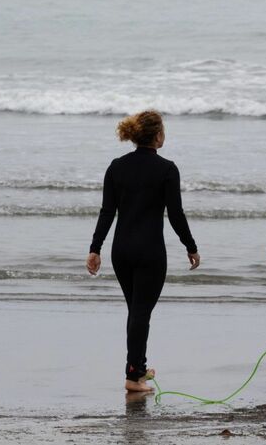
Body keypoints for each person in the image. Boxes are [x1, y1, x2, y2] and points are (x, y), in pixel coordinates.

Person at [86, 110, 201, 393]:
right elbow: (175, 214)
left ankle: (137, 367)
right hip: (150, 251)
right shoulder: (167, 169)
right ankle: (134, 375)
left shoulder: (116, 166)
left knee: (136, 311)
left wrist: (95, 248)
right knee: (140, 312)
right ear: (158, 135)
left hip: (121, 250)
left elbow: (107, 212)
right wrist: (191, 246)